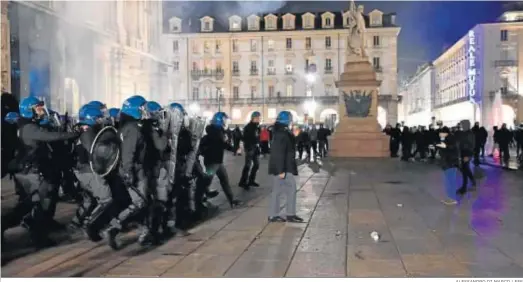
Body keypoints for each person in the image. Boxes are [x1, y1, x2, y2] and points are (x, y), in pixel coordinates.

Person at [3, 96, 79, 247]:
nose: (41, 112)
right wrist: (73, 134)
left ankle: (33, 231)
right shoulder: (29, 128)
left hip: (28, 170)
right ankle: (38, 238)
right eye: (38, 109)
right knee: (40, 204)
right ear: (29, 110)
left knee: (29, 205)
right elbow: (51, 137)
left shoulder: (25, 124)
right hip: (31, 172)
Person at [105, 95, 149, 250]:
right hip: (134, 170)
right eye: (142, 108)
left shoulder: (126, 126)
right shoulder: (133, 129)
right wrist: (129, 172)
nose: (144, 111)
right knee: (140, 202)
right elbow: (128, 153)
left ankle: (144, 231)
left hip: (131, 169)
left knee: (142, 202)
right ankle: (114, 227)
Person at [199, 112, 242, 208]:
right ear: (220, 121)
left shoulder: (218, 131)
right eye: (225, 120)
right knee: (207, 180)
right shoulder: (216, 132)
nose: (226, 122)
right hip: (212, 162)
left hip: (217, 162)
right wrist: (234, 149)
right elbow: (223, 144)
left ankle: (232, 201)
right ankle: (199, 199)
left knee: (223, 180)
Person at [268, 111, 303, 223]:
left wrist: (296, 136)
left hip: (284, 166)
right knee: (289, 188)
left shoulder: (282, 131)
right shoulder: (281, 133)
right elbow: (278, 152)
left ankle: (279, 215)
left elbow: (289, 146)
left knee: (279, 190)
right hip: (283, 167)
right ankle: (287, 214)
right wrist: (280, 170)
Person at [436, 127, 460, 205]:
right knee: (448, 181)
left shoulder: (451, 138)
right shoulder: (445, 139)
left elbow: (453, 147)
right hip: (447, 163)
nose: (439, 135)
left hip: (451, 163)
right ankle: (449, 198)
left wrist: (446, 146)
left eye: (440, 133)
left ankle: (452, 199)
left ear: (445, 133)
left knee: (451, 181)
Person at [239, 111, 261, 189]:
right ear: (253, 118)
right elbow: (244, 138)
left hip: (255, 148)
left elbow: (258, 137)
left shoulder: (257, 127)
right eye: (257, 118)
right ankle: (243, 182)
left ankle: (251, 180)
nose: (259, 119)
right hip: (250, 148)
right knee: (248, 166)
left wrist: (258, 142)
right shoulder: (248, 127)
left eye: (259, 117)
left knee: (256, 165)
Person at [456, 120, 476, 195]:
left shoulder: (470, 134)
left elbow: (472, 145)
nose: (461, 126)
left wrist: (468, 155)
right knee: (466, 169)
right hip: (463, 153)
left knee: (464, 170)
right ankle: (473, 181)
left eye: (462, 125)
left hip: (467, 153)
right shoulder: (463, 133)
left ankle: (464, 188)